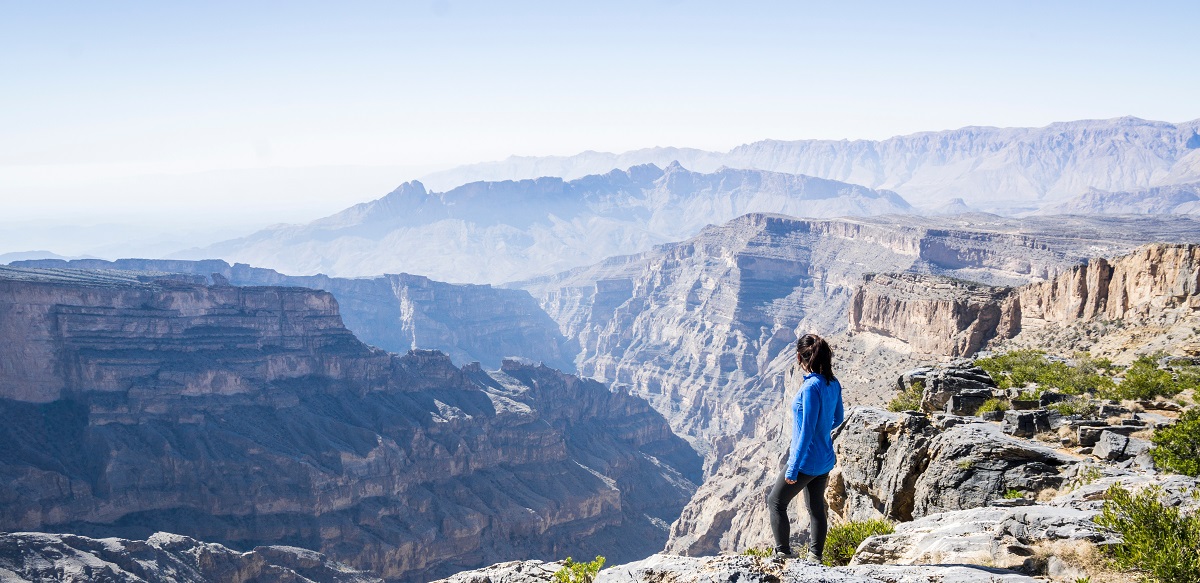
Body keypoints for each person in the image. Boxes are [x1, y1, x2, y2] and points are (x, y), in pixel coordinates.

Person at [766, 333, 845, 562]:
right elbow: (838, 418)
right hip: (825, 460)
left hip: (806, 461)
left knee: (776, 501)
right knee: (816, 507)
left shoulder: (811, 388)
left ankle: (783, 553)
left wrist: (793, 468)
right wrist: (823, 428)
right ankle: (815, 556)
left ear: (800, 357)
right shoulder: (833, 382)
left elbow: (806, 432)